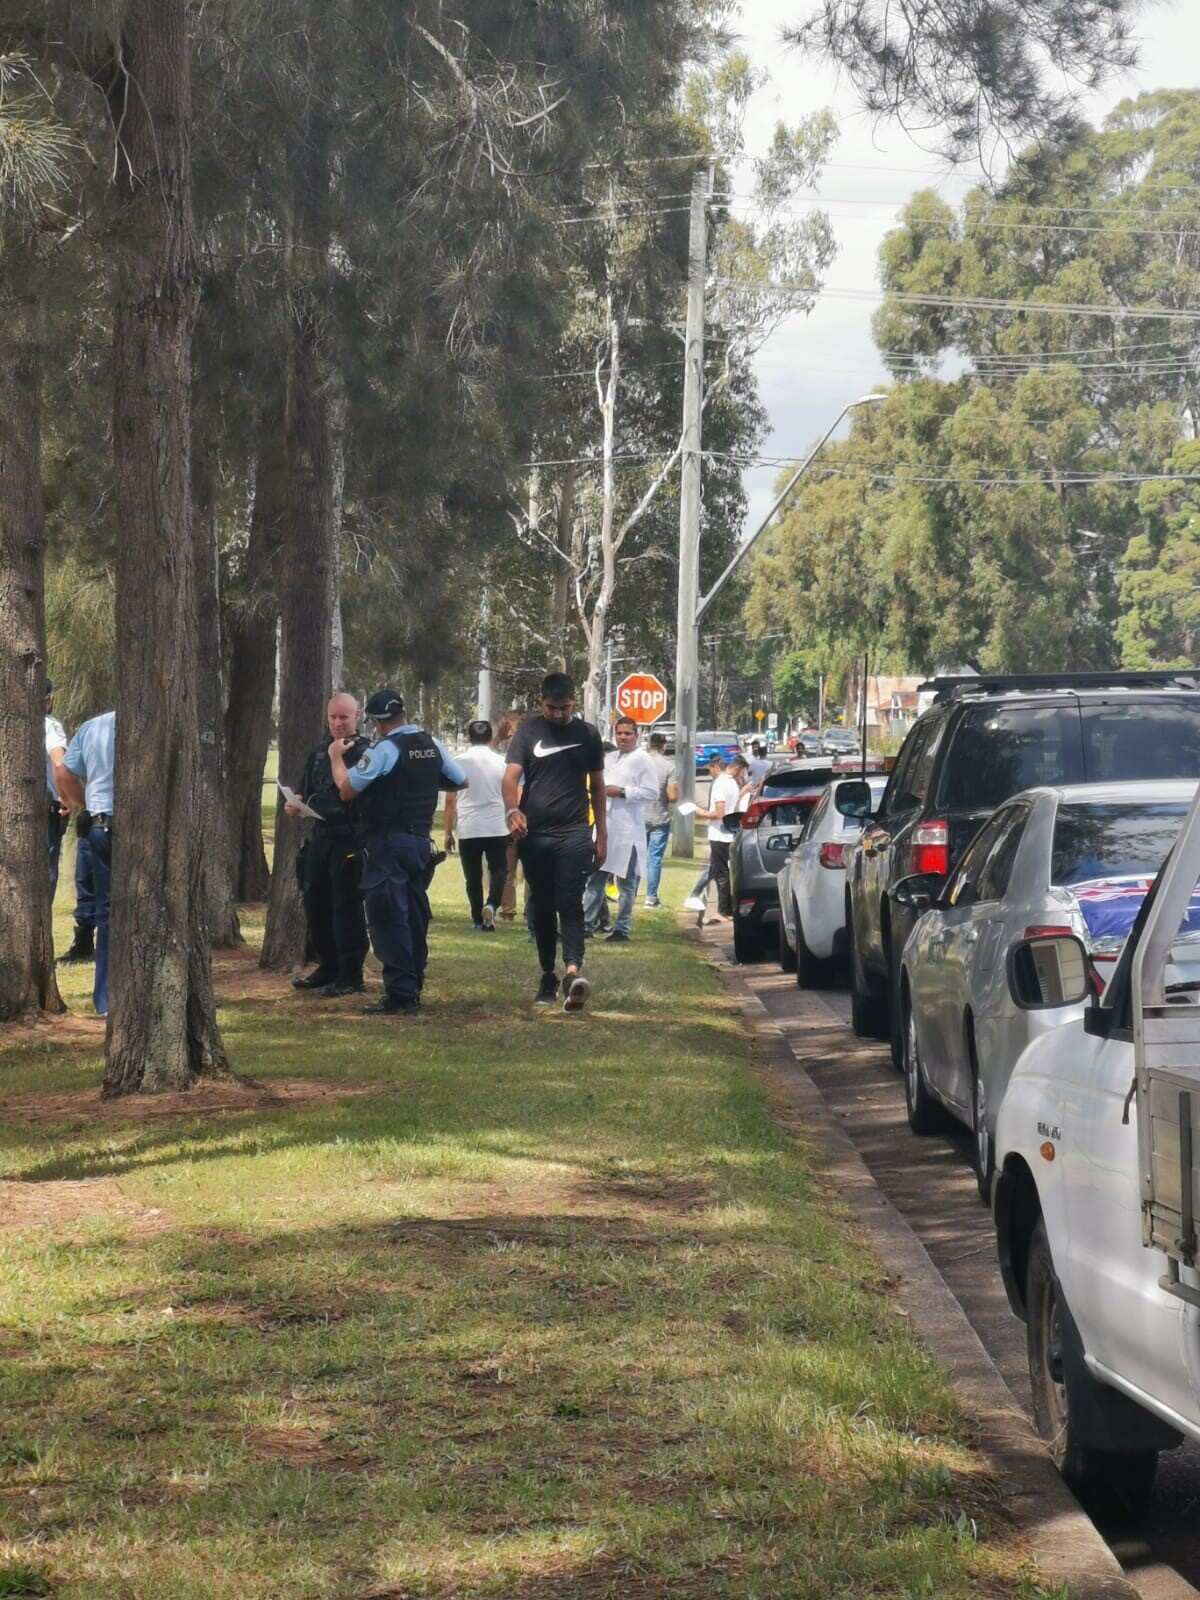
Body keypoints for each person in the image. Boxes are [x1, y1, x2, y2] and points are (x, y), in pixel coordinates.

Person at [330, 688, 465, 1016]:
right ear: (403, 715)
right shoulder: (431, 744)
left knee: (388, 917)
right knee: (415, 915)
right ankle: (414, 981)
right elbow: (459, 780)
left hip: (387, 844)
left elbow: (347, 790)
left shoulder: (384, 749)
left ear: (377, 723)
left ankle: (401, 994)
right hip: (420, 843)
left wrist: (335, 757)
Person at [502, 672, 605, 1012]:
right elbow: (510, 777)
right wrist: (512, 810)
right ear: (540, 703)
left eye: (565, 708)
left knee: (570, 902)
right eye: (552, 708)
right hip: (536, 835)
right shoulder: (528, 732)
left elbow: (597, 786)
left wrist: (601, 834)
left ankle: (573, 973)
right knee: (543, 907)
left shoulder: (588, 734)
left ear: (574, 703)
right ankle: (548, 975)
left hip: (575, 832)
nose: (559, 714)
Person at [288, 693, 371, 996]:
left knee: (346, 906)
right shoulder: (319, 753)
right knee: (316, 902)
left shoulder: (365, 752)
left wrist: (338, 757)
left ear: (357, 716)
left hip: (349, 838)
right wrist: (294, 804)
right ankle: (328, 966)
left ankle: (351, 973)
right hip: (320, 836)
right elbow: (305, 790)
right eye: (333, 717)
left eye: (344, 717)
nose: (338, 723)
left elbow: (354, 793)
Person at [55, 710, 115, 1018]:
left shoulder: (94, 726)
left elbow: (63, 773)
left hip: (101, 822)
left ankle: (105, 998)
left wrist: (86, 804)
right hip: (133, 827)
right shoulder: (156, 719)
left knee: (107, 913)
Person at [584, 716, 659, 942]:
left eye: (627, 733)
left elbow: (652, 792)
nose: (623, 737)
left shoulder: (643, 759)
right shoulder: (610, 758)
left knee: (626, 883)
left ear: (636, 735)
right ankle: (585, 925)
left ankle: (622, 928)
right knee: (595, 878)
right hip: (605, 827)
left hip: (628, 829)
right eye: (619, 733)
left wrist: (624, 792)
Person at [444, 718, 509, 930]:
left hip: (468, 826)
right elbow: (509, 793)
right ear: (490, 737)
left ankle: (477, 920)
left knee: (472, 877)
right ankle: (492, 904)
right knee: (499, 870)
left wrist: (447, 832)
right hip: (496, 825)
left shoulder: (458, 762)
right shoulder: (501, 761)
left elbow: (450, 801)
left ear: (468, 738)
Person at [682, 753, 740, 922]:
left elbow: (719, 813)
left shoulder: (720, 784)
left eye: (710, 770)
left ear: (715, 767)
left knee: (720, 873)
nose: (709, 774)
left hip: (719, 834)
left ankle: (723, 911)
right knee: (717, 870)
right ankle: (697, 896)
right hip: (729, 832)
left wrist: (698, 811)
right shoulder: (732, 782)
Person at [642, 730, 678, 909]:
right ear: (664, 746)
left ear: (649, 745)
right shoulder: (669, 767)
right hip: (660, 817)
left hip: (639, 816)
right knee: (654, 859)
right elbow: (672, 796)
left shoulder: (639, 763)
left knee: (636, 857)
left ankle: (629, 894)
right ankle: (650, 898)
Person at [44, 682, 68, 900]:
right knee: (46, 871)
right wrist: (65, 796)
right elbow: (58, 760)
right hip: (45, 810)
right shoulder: (49, 725)